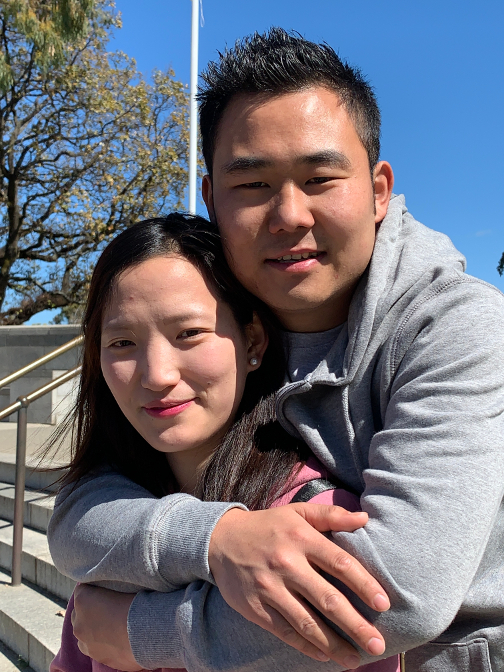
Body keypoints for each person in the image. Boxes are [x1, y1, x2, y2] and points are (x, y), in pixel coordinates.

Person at [48, 29, 504, 672]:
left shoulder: (455, 327)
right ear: (209, 196)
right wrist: (218, 537)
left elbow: (398, 593)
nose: (289, 214)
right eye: (253, 184)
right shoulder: (225, 318)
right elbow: (81, 508)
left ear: (377, 190)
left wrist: (141, 632)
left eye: (320, 178)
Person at [49, 214, 398, 672]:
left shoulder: (319, 518)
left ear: (252, 339)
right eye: (122, 342)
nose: (157, 375)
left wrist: (144, 631)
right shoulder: (113, 530)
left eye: (189, 334)